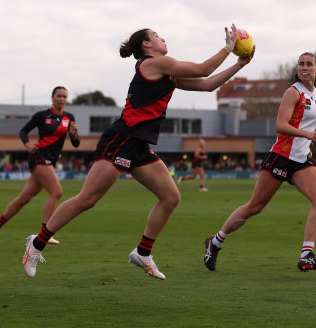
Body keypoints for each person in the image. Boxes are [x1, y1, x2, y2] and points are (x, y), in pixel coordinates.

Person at [21, 25, 254, 279]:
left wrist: (239, 64)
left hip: (139, 145)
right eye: (156, 36)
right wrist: (228, 48)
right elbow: (202, 69)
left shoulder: (167, 71)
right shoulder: (153, 64)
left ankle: (143, 252)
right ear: (146, 45)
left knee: (170, 197)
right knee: (87, 199)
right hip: (122, 139)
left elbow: (208, 84)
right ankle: (36, 243)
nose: (163, 37)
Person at [203, 52, 316, 273]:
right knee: (254, 207)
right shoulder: (292, 92)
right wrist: (306, 135)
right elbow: (280, 125)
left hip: (301, 161)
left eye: (309, 64)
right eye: (301, 64)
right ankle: (215, 242)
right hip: (281, 157)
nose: (304, 67)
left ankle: (306, 255)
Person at [0, 86, 80, 245]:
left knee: (24, 198)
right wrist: (27, 144)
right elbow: (23, 131)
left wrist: (74, 135)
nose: (61, 99)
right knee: (56, 192)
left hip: (50, 160)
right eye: (58, 96)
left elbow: (76, 144)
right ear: (52, 98)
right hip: (38, 157)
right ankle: (45, 232)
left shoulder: (69, 117)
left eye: (64, 96)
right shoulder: (42, 115)